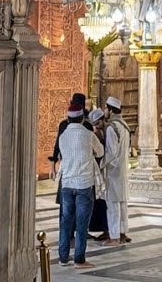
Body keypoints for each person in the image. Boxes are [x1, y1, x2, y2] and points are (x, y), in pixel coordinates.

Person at [56, 102, 103, 269]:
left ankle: (62, 257)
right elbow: (101, 152)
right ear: (83, 118)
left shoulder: (62, 136)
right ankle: (79, 259)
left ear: (68, 119)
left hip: (67, 183)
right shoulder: (88, 134)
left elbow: (62, 155)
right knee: (82, 223)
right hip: (83, 183)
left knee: (66, 221)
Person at [50, 92, 93, 208]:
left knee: (66, 212)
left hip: (67, 173)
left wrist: (53, 166)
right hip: (84, 175)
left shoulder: (64, 125)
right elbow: (96, 151)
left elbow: (57, 146)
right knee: (82, 213)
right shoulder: (88, 127)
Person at [101, 96, 132, 246]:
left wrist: (100, 164)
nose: (104, 111)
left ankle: (114, 237)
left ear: (111, 110)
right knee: (122, 203)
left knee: (113, 204)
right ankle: (122, 233)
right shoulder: (125, 126)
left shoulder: (112, 127)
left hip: (113, 171)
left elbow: (110, 152)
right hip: (123, 169)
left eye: (106, 108)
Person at [87, 109, 111, 241]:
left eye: (97, 123)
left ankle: (107, 230)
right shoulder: (100, 132)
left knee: (103, 201)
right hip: (98, 172)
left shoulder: (107, 131)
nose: (96, 126)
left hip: (104, 171)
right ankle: (102, 228)